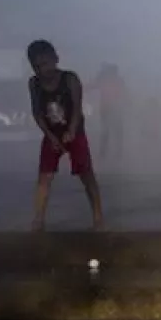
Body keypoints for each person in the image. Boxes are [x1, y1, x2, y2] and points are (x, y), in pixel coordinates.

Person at [27, 39, 103, 230]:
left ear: (56, 59)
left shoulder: (70, 79)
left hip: (74, 131)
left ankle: (98, 215)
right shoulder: (34, 84)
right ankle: (38, 219)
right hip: (52, 132)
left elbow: (77, 108)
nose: (42, 70)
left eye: (45, 64)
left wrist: (71, 131)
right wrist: (51, 137)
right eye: (37, 66)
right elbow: (37, 112)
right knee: (45, 177)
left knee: (86, 174)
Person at [89, 63, 129, 165]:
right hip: (108, 108)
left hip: (112, 108)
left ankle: (110, 153)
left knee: (113, 131)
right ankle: (107, 153)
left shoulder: (110, 80)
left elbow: (124, 93)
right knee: (109, 131)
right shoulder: (107, 79)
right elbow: (92, 86)